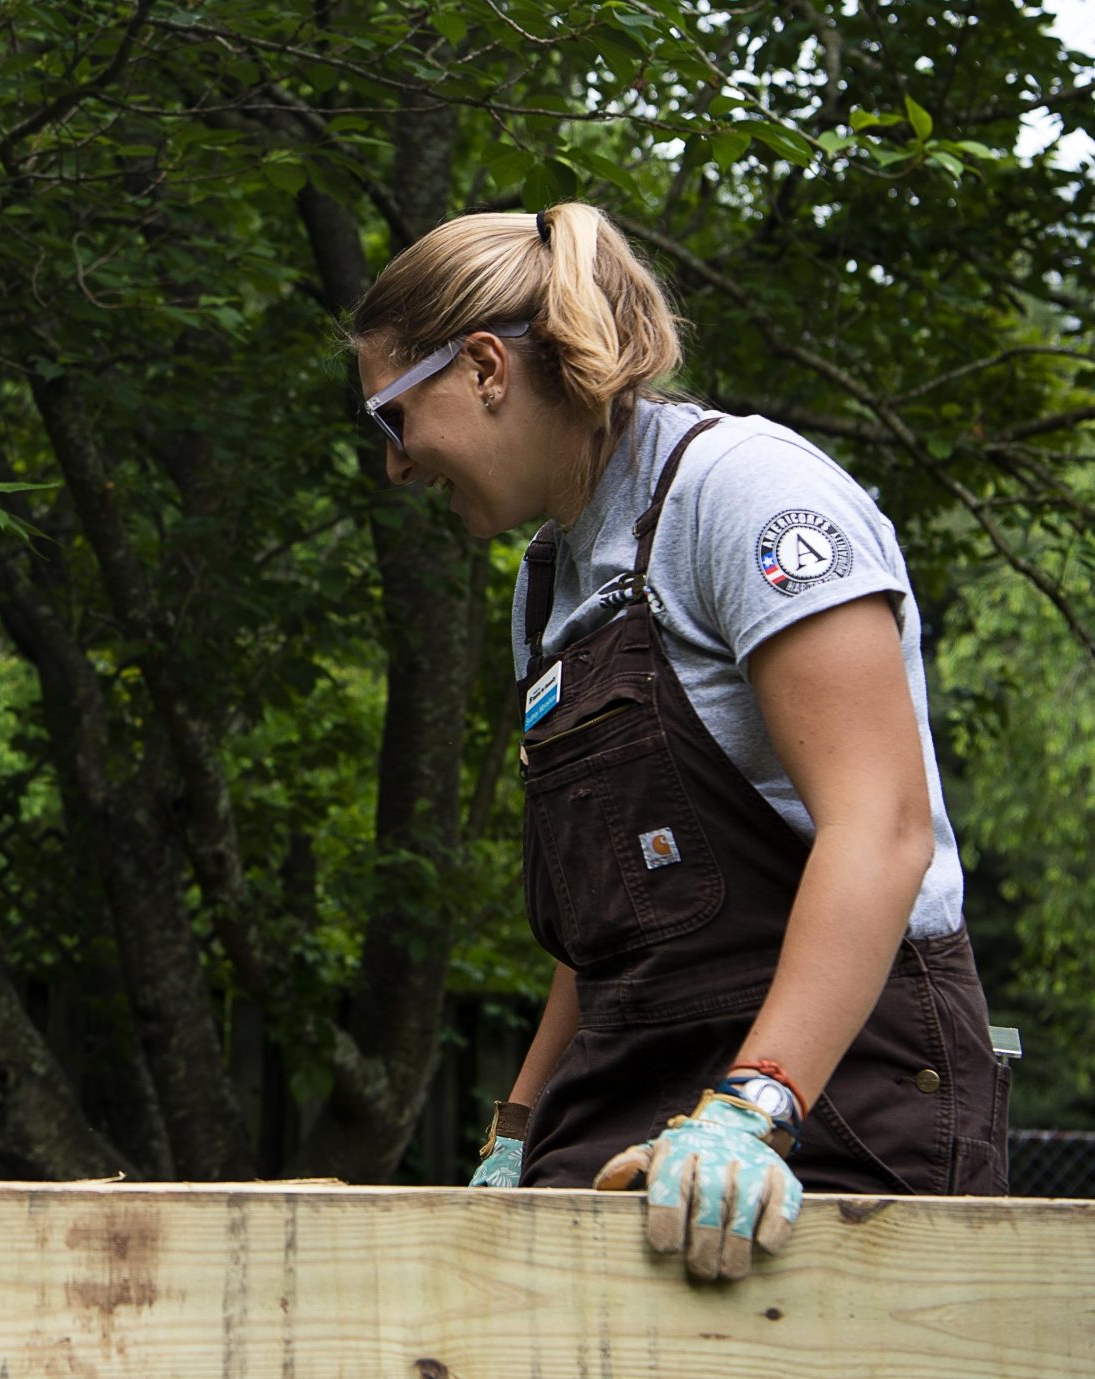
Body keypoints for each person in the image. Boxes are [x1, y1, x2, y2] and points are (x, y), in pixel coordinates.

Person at [350, 203, 1007, 1279]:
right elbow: (609, 925)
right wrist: (515, 1131)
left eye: (390, 418)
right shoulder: (549, 579)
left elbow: (879, 827)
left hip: (839, 1092)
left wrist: (756, 1104)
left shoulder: (742, 493)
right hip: (630, 1083)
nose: (396, 465)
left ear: (479, 368)